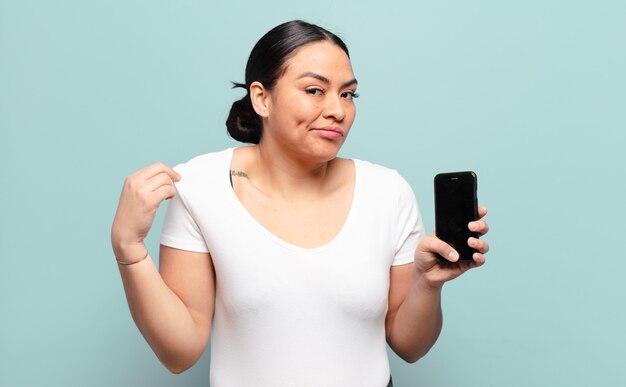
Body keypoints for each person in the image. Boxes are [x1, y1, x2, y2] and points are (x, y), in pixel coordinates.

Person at [111, 20, 490, 387]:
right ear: (262, 98)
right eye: (314, 90)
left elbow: (410, 346)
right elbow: (180, 352)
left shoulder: (388, 192)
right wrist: (129, 248)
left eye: (348, 93)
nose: (338, 110)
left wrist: (427, 283)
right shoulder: (201, 186)